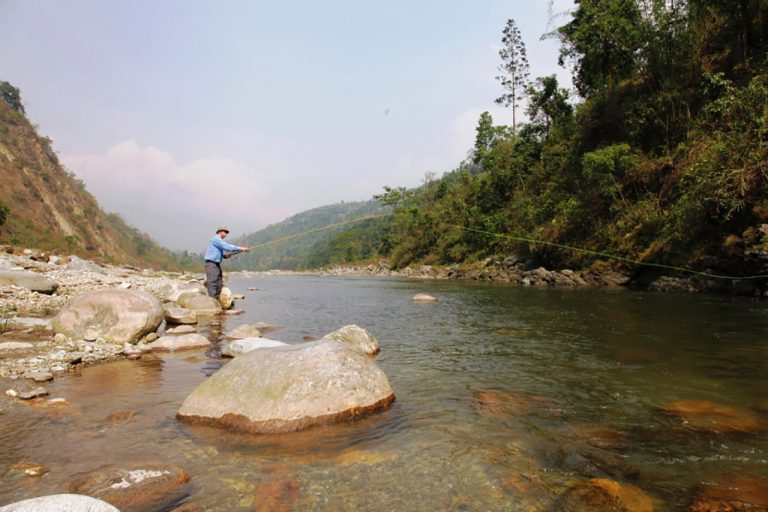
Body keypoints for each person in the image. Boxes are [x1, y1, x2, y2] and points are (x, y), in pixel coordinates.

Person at [204, 227, 250, 299]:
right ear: (220, 232)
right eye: (225, 232)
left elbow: (220, 254)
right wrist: (241, 248)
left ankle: (216, 301)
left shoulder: (218, 241)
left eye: (227, 232)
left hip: (216, 264)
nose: (226, 234)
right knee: (213, 282)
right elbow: (227, 247)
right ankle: (212, 302)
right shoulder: (216, 239)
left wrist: (225, 255)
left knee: (219, 283)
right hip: (211, 264)